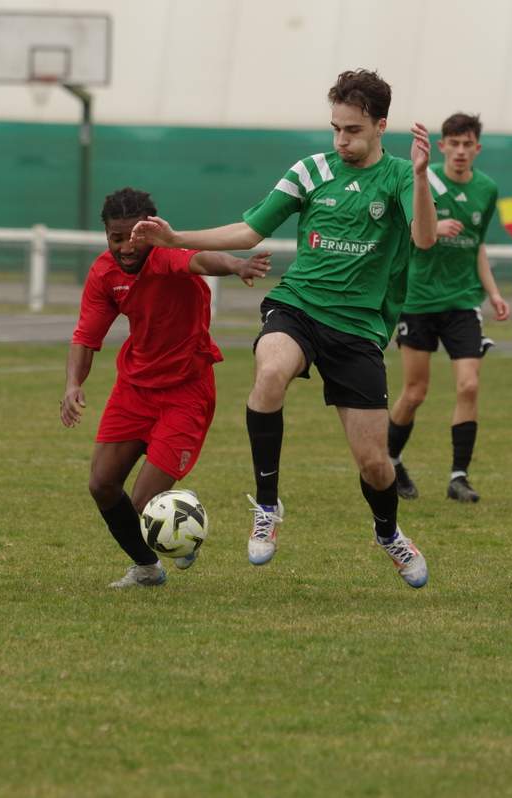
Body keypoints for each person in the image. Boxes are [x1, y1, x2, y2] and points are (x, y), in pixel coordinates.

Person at [132, 69, 438, 588]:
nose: (341, 141)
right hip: (298, 305)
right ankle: (268, 507)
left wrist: (424, 177)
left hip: (360, 328)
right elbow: (250, 230)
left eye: (353, 130)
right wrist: (176, 238)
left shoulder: (401, 177)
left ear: (380, 126)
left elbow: (424, 239)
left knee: (375, 465)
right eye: (335, 128)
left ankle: (388, 533)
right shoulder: (310, 170)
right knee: (270, 373)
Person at [61, 187, 270, 589]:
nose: (125, 247)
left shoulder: (166, 255)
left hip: (185, 393)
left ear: (149, 230)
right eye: (116, 238)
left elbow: (202, 259)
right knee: (102, 484)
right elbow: (86, 335)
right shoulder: (104, 273)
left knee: (143, 504)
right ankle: (148, 568)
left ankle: (180, 529)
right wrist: (73, 385)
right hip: (134, 389)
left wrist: (237, 265)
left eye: (134, 237)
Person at [388, 112, 509, 504]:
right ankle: (391, 462)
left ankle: (459, 477)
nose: (460, 151)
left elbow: (477, 245)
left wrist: (493, 292)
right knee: (414, 392)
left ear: (477, 148)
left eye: (467, 144)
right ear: (441, 146)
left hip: (462, 302)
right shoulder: (424, 178)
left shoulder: (487, 189)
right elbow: (403, 229)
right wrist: (431, 227)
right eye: (453, 143)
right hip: (418, 300)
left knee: (469, 385)